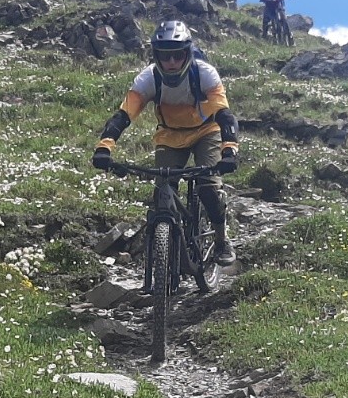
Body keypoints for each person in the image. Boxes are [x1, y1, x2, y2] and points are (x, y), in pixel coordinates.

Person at [93, 19, 240, 264]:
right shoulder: (148, 79)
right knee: (163, 191)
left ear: (187, 54)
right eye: (165, 56)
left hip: (206, 132)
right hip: (170, 135)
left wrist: (229, 150)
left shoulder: (204, 73)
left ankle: (221, 238)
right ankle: (165, 248)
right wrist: (104, 147)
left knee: (209, 187)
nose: (171, 63)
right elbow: (123, 115)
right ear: (156, 56)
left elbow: (224, 115)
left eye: (177, 56)